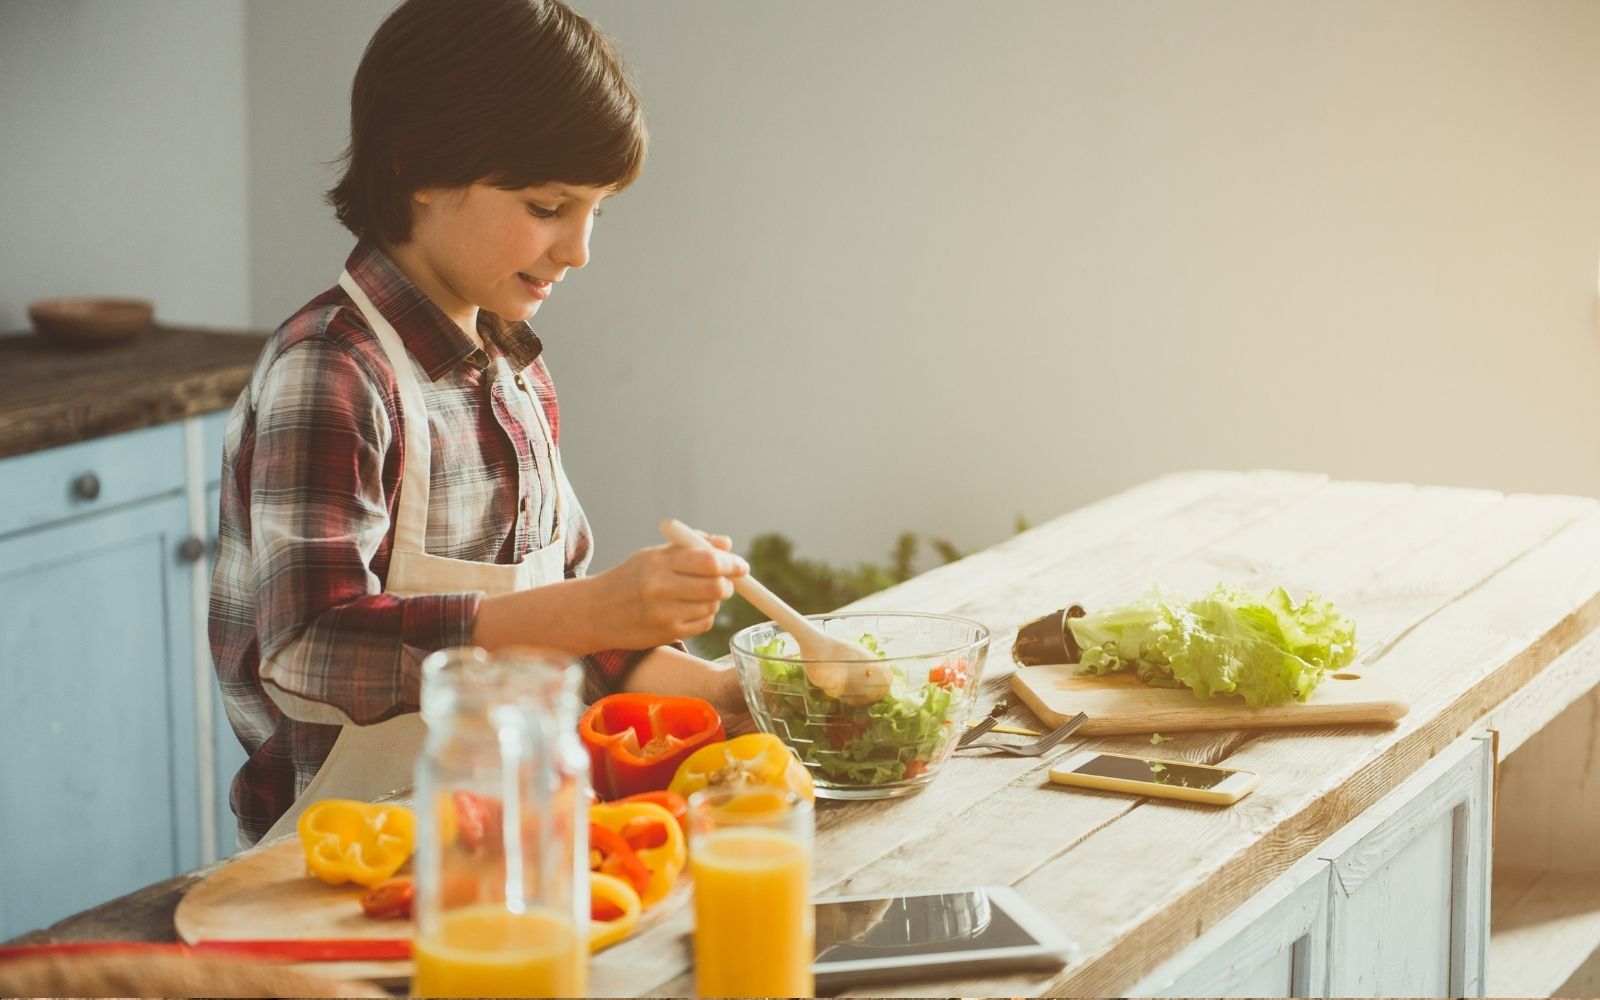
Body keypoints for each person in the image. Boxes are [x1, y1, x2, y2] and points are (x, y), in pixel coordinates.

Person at [209, 0, 749, 847]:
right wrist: (590, 612)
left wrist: (724, 689)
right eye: (547, 206)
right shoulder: (332, 370)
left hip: (507, 835)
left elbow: (567, 626)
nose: (579, 250)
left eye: (595, 211)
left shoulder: (515, 373)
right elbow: (308, 648)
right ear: (421, 167)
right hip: (345, 861)